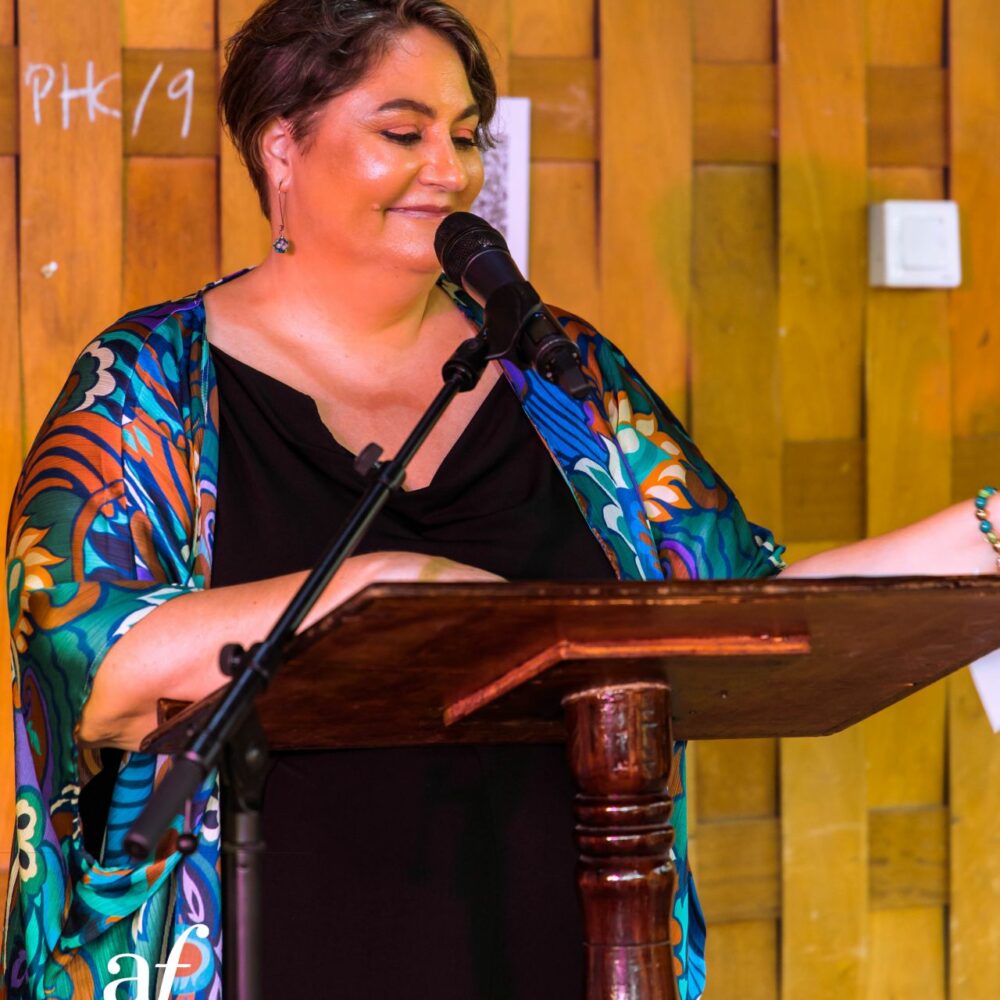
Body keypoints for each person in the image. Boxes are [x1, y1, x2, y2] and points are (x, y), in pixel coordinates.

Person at [4, 1, 997, 998]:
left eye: (467, 135)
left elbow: (742, 605)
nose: (450, 168)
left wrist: (984, 527)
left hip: (561, 946)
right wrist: (375, 587)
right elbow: (92, 667)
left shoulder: (562, 373)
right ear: (281, 149)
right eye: (404, 133)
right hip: (267, 952)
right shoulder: (150, 382)